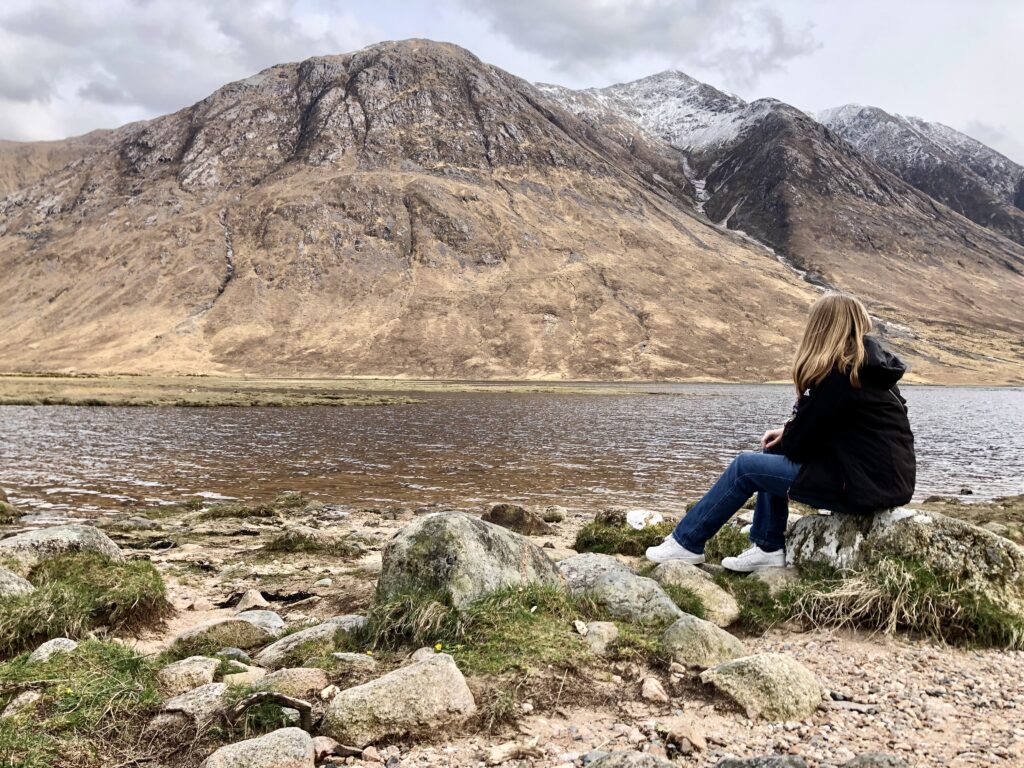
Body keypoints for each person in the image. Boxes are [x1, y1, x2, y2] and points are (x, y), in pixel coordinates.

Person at [646, 292, 916, 572]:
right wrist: (787, 432)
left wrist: (793, 426)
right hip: (884, 482)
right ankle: (767, 545)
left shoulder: (841, 376)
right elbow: (849, 430)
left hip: (864, 486)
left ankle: (687, 542)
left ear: (821, 328)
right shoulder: (870, 370)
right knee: (773, 450)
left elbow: (800, 446)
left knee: (745, 468)